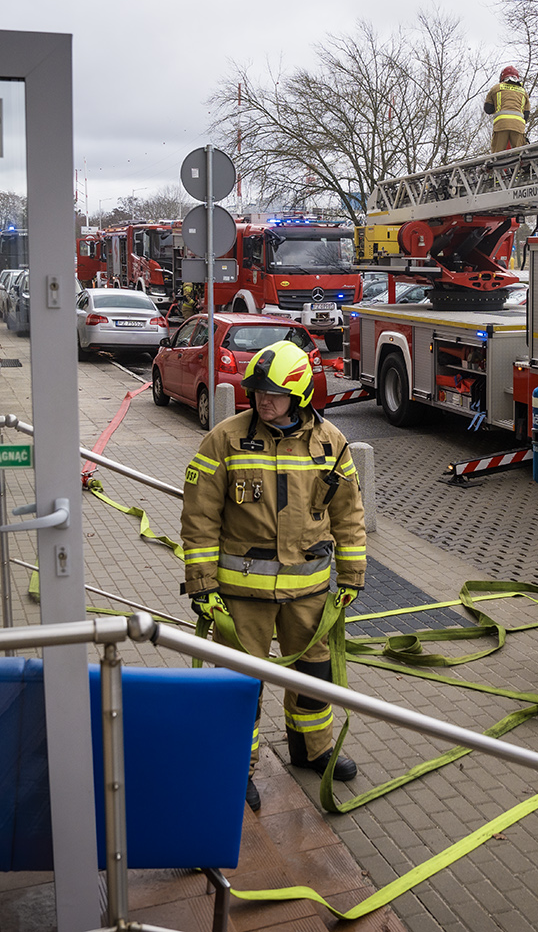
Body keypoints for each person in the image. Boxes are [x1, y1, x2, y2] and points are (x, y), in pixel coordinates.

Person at [180, 340, 367, 810]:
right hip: (241, 596)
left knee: (313, 674)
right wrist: (201, 584)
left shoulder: (331, 442)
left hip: (309, 592)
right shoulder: (223, 439)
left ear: (299, 393)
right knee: (240, 682)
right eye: (258, 391)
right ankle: (234, 766)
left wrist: (351, 576)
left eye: (274, 392)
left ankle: (313, 750)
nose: (263, 400)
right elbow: (199, 515)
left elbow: (348, 514)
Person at [485, 66, 531, 153]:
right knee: (520, 155)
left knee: (497, 156)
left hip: (501, 125)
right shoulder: (523, 92)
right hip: (518, 126)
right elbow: (526, 114)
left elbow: (488, 109)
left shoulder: (496, 88)